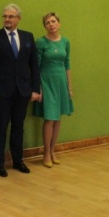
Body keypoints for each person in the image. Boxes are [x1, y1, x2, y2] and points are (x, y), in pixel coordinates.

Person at [0, 3, 41, 177]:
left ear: (18, 19)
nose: (7, 19)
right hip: (2, 91)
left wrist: (35, 89)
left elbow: (34, 65)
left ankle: (18, 160)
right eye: (5, 16)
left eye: (11, 16)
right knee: (1, 127)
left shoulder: (28, 37)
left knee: (18, 126)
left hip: (23, 90)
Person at [32, 12, 73, 168]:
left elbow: (67, 64)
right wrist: (38, 88)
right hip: (46, 82)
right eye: (47, 22)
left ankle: (53, 150)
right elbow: (35, 67)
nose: (51, 24)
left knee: (57, 118)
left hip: (61, 81)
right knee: (49, 117)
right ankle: (46, 153)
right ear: (45, 26)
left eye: (53, 21)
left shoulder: (65, 42)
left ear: (59, 24)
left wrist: (69, 87)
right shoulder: (41, 42)